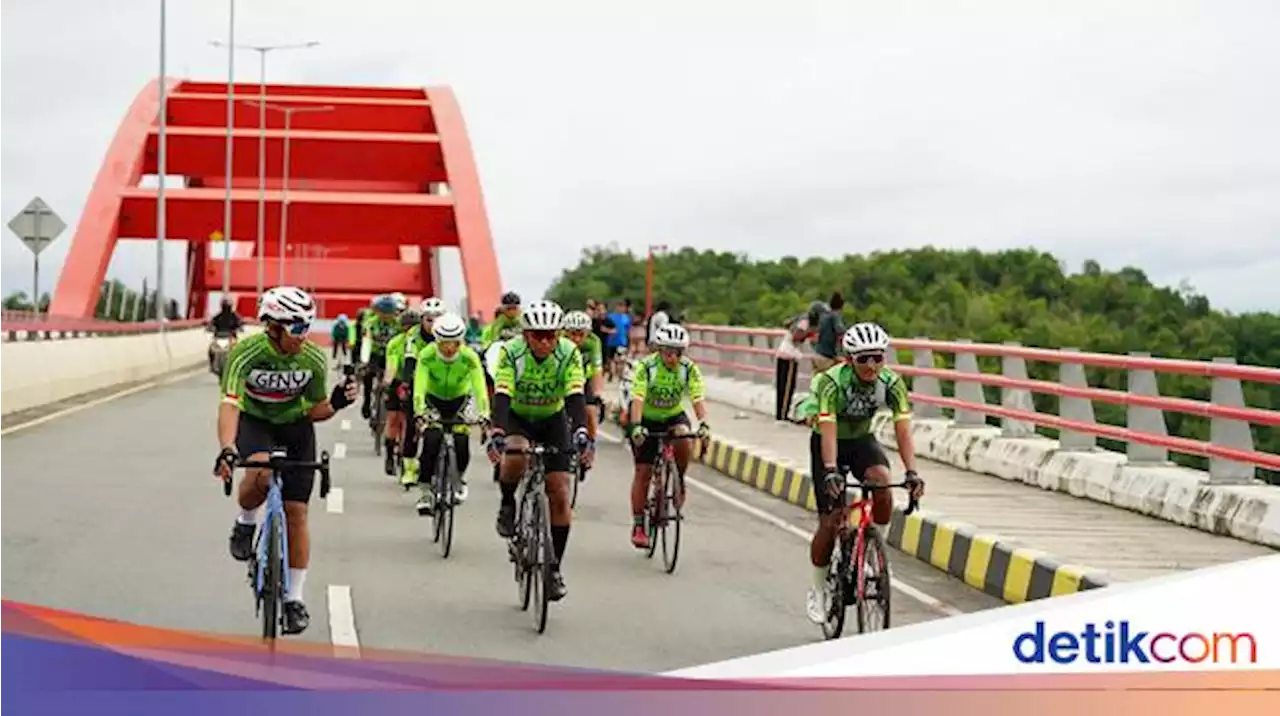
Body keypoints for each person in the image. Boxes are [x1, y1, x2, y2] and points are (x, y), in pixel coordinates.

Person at [213, 286, 358, 636]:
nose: (303, 335)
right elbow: (230, 402)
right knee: (260, 476)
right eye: (296, 328)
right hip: (257, 422)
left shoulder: (312, 358)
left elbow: (316, 410)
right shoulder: (247, 352)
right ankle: (246, 520)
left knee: (297, 513)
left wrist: (337, 402)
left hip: (296, 427)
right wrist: (228, 447)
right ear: (273, 326)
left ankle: (294, 598)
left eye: (307, 326)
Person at [804, 322, 925, 625]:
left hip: (861, 441)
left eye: (877, 357)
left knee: (883, 483)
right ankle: (817, 589)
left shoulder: (891, 383)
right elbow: (828, 430)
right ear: (848, 359)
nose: (871, 365)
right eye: (863, 359)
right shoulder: (832, 383)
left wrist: (912, 472)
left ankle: (874, 552)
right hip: (828, 442)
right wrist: (830, 471)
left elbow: (903, 430)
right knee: (831, 520)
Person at [487, 299, 593, 601]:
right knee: (515, 455)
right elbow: (503, 394)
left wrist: (581, 429)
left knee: (559, 492)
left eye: (551, 335)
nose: (545, 342)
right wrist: (497, 431)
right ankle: (508, 503)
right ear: (526, 335)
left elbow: (575, 394)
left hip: (552, 418)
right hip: (519, 417)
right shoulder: (512, 352)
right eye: (538, 335)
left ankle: (554, 568)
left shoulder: (569, 353)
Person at [625, 323, 711, 549]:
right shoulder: (646, 367)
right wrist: (635, 426)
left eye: (678, 353)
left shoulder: (688, 368)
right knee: (643, 472)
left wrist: (703, 423)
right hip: (646, 418)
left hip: (673, 416)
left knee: (684, 436)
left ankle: (679, 479)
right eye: (668, 352)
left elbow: (697, 396)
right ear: (659, 350)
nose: (673, 358)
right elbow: (638, 398)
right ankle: (638, 524)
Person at [411, 312, 490, 513]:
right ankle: (425, 491)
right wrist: (419, 411)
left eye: (454, 343)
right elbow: (419, 385)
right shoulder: (427, 355)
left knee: (462, 442)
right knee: (431, 440)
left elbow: (479, 387)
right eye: (444, 343)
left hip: (459, 400)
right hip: (433, 399)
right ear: (436, 340)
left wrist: (484, 414)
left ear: (461, 341)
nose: (448, 348)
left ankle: (457, 478)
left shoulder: (469, 357)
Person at [561, 309, 605, 480]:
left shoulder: (593, 342)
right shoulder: (560, 341)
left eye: (581, 334)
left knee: (591, 413)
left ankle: (589, 448)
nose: (577, 339)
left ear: (588, 333)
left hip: (582, 380)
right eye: (572, 334)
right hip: (562, 380)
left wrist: (598, 394)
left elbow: (597, 370)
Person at [359, 294, 403, 419]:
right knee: (368, 375)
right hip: (375, 354)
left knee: (395, 378)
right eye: (383, 313)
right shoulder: (370, 323)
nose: (386, 316)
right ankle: (367, 402)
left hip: (391, 356)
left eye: (389, 313)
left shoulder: (398, 324)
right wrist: (364, 360)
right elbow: (366, 342)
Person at [775, 312, 812, 422]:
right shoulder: (805, 323)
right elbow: (796, 336)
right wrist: (807, 335)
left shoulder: (799, 320)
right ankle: (783, 414)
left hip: (783, 352)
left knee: (782, 385)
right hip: (790, 356)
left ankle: (781, 413)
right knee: (787, 387)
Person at [809, 293, 846, 374]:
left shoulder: (824, 316)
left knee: (816, 382)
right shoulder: (835, 316)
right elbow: (840, 331)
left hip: (818, 353)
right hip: (827, 356)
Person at [207, 298, 243, 371]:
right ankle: (211, 364)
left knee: (238, 350)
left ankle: (237, 365)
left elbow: (239, 324)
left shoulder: (234, 316)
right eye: (225, 306)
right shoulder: (218, 316)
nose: (226, 308)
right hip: (219, 337)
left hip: (230, 337)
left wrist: (239, 328)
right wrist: (210, 328)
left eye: (227, 306)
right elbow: (211, 323)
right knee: (211, 350)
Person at [605, 300, 632, 380]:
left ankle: (619, 374)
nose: (621, 308)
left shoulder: (626, 318)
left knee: (621, 359)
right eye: (619, 306)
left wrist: (629, 342)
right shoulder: (610, 317)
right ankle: (612, 373)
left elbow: (628, 331)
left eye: (623, 307)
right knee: (611, 359)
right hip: (611, 341)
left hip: (622, 341)